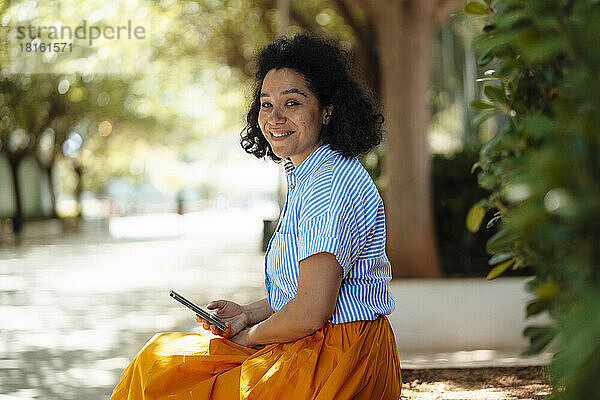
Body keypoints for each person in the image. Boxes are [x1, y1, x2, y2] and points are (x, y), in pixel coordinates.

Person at [110, 33, 402, 400]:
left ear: (328, 109)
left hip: (335, 359)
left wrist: (249, 339)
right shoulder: (313, 174)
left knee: (166, 379)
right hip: (324, 345)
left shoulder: (329, 186)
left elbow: (311, 311)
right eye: (266, 105)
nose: (275, 118)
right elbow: (309, 294)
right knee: (159, 360)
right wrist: (249, 314)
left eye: (291, 103)